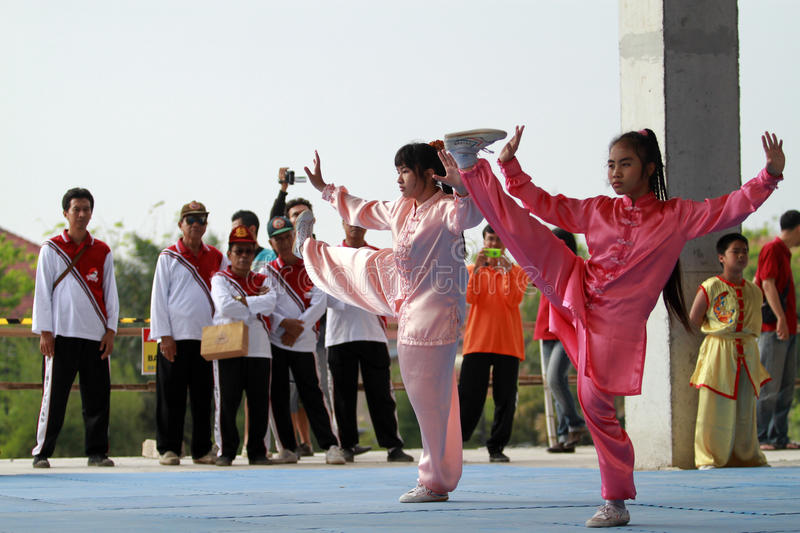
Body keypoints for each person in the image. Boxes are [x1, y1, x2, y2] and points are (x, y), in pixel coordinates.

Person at [438, 126, 785, 527]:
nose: (615, 172)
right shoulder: (601, 208)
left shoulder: (676, 217)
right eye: (611, 165)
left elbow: (730, 207)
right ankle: (470, 163)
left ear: (649, 168)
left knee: (594, 403)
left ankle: (616, 499)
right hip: (576, 282)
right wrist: (512, 167)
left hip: (615, 325)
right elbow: (546, 205)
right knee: (520, 231)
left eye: (625, 164)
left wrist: (769, 177)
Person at [299, 140, 484, 503]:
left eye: (404, 171)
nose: (398, 179)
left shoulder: (447, 209)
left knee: (430, 401)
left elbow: (471, 215)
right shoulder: (401, 208)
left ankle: (434, 480)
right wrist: (325, 190)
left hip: (435, 315)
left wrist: (462, 183)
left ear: (429, 174)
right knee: (361, 261)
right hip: (407, 302)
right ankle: (311, 249)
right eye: (397, 171)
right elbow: (362, 209)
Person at [31, 187, 119, 468]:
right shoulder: (51, 249)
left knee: (97, 398)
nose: (81, 215)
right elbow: (42, 292)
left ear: (91, 213)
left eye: (86, 209)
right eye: (76, 209)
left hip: (95, 336)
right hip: (61, 336)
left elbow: (111, 294)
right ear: (65, 213)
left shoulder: (102, 251)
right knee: (53, 397)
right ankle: (42, 451)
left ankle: (97, 452)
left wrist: (111, 330)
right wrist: (45, 331)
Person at [325, 220, 414, 463]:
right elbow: (326, 296)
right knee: (342, 395)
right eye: (348, 221)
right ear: (342, 223)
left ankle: (393, 446)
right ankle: (346, 444)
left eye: (359, 221)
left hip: (373, 333)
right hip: (340, 335)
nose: (354, 226)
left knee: (381, 393)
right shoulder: (332, 256)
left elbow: (391, 290)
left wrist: (353, 292)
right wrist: (358, 294)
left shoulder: (377, 256)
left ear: (366, 225)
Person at [263, 215, 347, 465]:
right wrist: (282, 325)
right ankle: (286, 448)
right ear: (271, 243)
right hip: (277, 341)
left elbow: (319, 302)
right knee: (277, 395)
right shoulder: (267, 271)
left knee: (313, 394)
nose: (284, 242)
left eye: (288, 236)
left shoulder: (311, 266)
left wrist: (297, 328)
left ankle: (331, 446)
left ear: (294, 237)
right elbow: (268, 305)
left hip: (303, 342)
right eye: (278, 239)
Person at [150, 201, 227, 466]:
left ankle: (202, 449)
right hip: (177, 337)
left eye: (201, 219)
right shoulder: (169, 257)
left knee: (203, 396)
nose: (196, 224)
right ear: (181, 224)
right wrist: (164, 336)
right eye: (190, 219)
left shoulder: (216, 256)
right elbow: (159, 299)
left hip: (208, 337)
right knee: (171, 395)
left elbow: (227, 289)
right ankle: (169, 448)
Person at [688, 233, 770, 469]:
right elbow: (695, 317)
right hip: (719, 349)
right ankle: (709, 458)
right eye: (736, 251)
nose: (742, 255)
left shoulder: (755, 290)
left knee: (745, 405)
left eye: (744, 250)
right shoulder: (711, 286)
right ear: (722, 257)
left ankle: (746, 456)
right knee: (714, 404)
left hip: (747, 349)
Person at [458, 224, 529, 462]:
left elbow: (513, 300)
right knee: (469, 397)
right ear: (484, 242)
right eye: (490, 240)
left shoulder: (518, 272)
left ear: (506, 244)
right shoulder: (471, 270)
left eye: (498, 240)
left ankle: (496, 448)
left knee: (506, 399)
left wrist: (507, 271)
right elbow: (470, 298)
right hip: (477, 343)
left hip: (508, 344)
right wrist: (478, 269)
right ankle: (455, 444)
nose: (494, 245)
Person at [210, 226, 277, 466]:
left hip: (259, 347)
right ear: (229, 253)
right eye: (238, 250)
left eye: (248, 251)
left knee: (259, 401)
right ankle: (226, 451)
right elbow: (225, 306)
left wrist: (241, 301)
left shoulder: (263, 278)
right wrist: (253, 302)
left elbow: (270, 303)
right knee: (228, 401)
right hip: (229, 345)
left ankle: (257, 451)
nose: (244, 256)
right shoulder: (220, 279)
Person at [535, 229, 588, 453]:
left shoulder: (578, 266)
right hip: (546, 329)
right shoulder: (545, 266)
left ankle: (576, 424)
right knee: (556, 383)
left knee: (556, 378)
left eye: (557, 243)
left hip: (567, 329)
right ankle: (565, 436)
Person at [755, 209, 800, 450]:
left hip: (788, 328)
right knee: (769, 386)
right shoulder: (772, 249)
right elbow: (767, 284)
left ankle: (779, 436)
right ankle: (762, 436)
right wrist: (781, 319)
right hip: (774, 328)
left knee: (785, 386)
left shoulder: (784, 253)